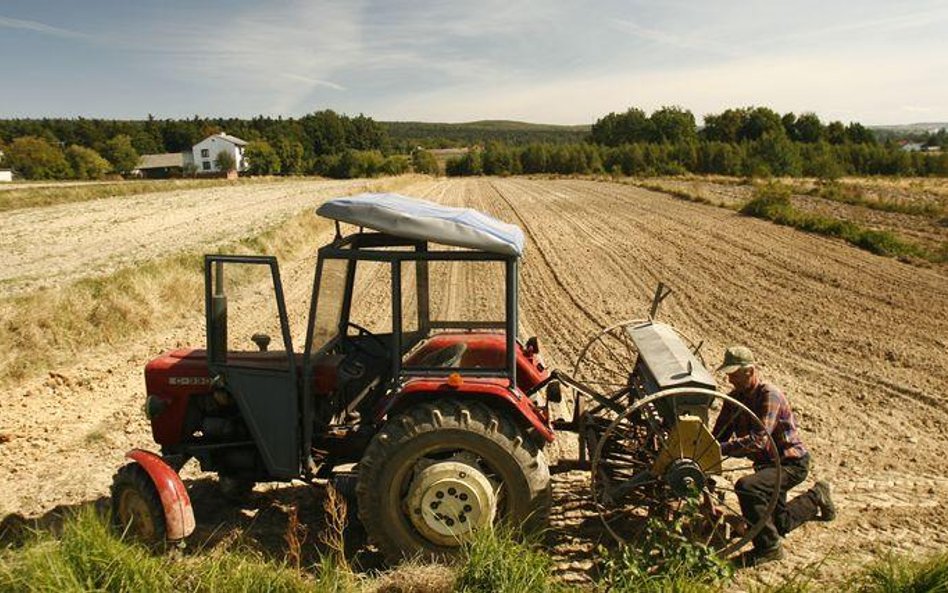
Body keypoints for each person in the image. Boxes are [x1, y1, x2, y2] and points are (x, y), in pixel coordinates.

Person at [712, 345, 836, 566]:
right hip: (767, 467)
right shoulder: (734, 399)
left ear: (750, 371)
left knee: (747, 487)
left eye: (734, 374)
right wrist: (702, 448)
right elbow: (718, 435)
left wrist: (722, 449)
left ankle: (768, 549)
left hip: (790, 463)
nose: (730, 379)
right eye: (729, 374)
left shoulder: (769, 395)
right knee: (779, 524)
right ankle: (817, 495)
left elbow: (760, 440)